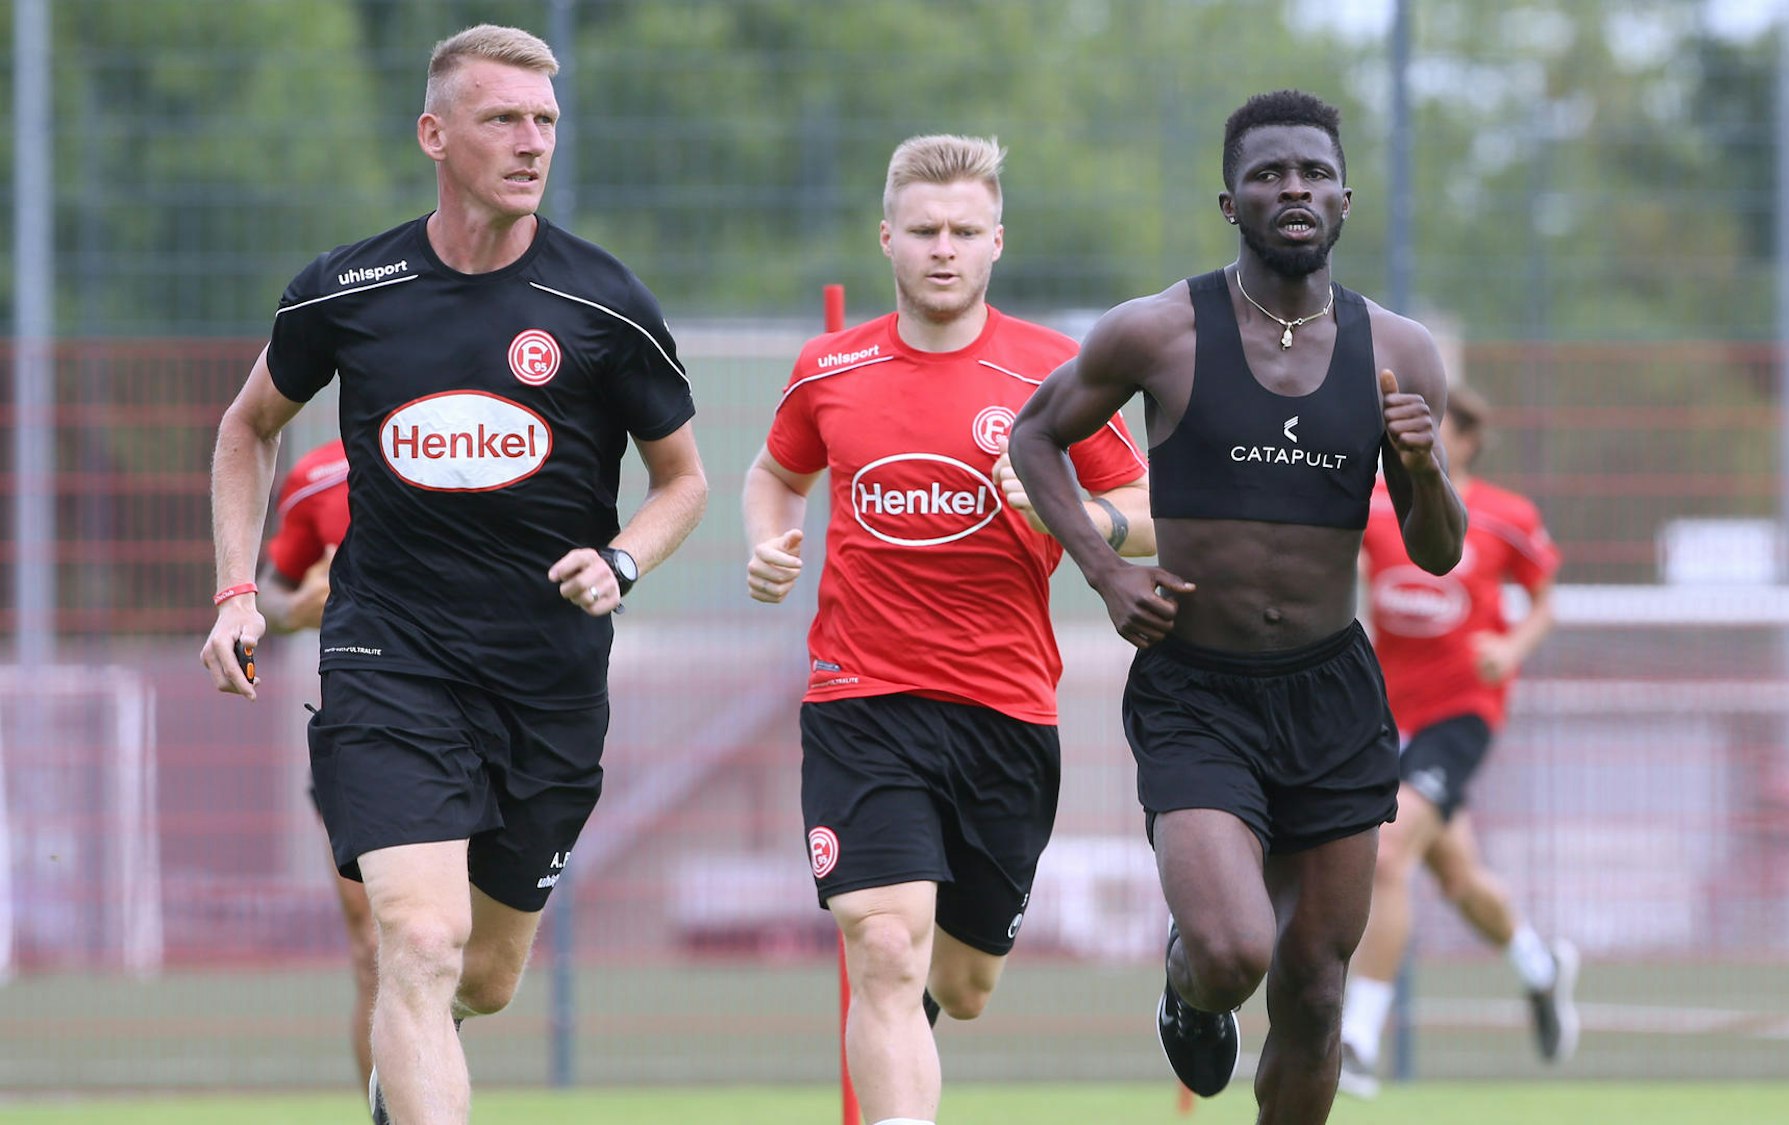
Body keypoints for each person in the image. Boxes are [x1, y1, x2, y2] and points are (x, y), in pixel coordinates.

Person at [198, 25, 708, 1125]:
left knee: (483, 975)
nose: (532, 143)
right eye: (502, 119)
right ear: (434, 134)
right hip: (390, 657)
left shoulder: (605, 304)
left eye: (546, 121)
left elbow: (684, 481)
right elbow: (247, 428)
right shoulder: (348, 288)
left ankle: (407, 1073)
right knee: (419, 940)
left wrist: (623, 558)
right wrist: (236, 593)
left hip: (547, 682)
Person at [1008, 90, 1466, 1122]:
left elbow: (1437, 554)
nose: (1292, 189)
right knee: (1232, 951)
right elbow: (1034, 436)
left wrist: (1423, 465)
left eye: (1313, 173)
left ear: (1344, 199)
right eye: (1268, 175)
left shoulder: (1399, 354)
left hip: (1330, 695)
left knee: (1315, 990)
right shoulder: (1159, 331)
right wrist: (1105, 571)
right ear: (1231, 202)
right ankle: (1186, 983)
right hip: (1198, 692)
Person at [743, 134, 1154, 1125]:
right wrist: (769, 539)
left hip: (1004, 709)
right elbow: (775, 473)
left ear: (996, 242)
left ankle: (916, 1032)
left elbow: (1151, 515)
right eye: (924, 230)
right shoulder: (828, 367)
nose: (943, 249)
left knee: (961, 986)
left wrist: (1069, 510)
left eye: (964, 232)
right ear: (886, 237)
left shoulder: (1055, 374)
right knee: (885, 945)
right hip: (861, 700)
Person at [1338, 384, 1578, 1097]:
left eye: (1444, 427)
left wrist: (1510, 648)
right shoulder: (1377, 507)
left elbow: (1547, 602)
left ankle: (1357, 1039)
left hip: (1462, 711)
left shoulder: (1506, 516)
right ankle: (1539, 967)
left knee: (1387, 854)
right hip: (1390, 717)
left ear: (1468, 441)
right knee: (1459, 878)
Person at [255, 438, 378, 1094]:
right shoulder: (320, 475)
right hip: (360, 734)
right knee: (376, 952)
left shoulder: (482, 442)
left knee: (474, 966)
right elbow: (271, 592)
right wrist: (297, 608)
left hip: (481, 726)